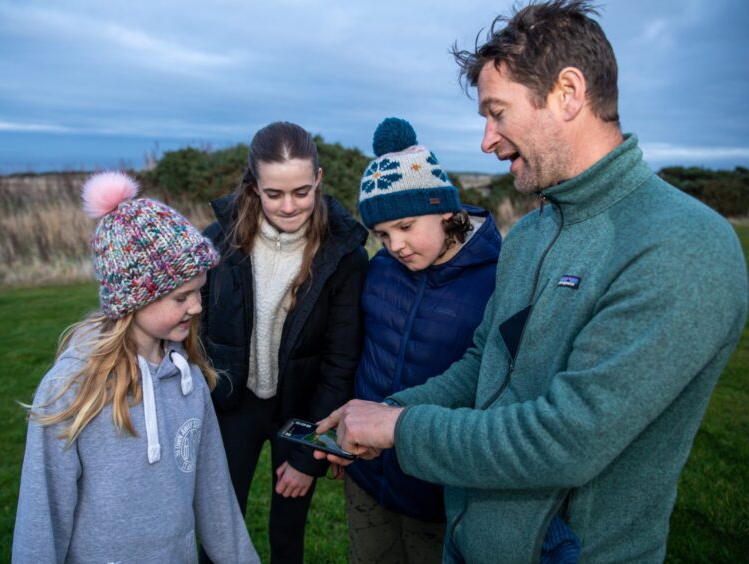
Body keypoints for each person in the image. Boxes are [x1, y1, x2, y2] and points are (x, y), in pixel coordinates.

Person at [316, 2, 749, 563]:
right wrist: (378, 413)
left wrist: (399, 428)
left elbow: (566, 440)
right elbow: (483, 366)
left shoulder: (682, 246)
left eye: (497, 113)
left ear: (568, 93)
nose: (486, 140)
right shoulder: (529, 234)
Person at [12, 172, 258, 563]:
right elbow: (42, 518)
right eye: (182, 297)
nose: (196, 307)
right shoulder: (72, 389)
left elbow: (216, 500)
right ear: (133, 300)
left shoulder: (188, 381)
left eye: (199, 291)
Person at [199, 121, 369, 563]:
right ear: (254, 186)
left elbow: (340, 361)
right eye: (274, 194)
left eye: (300, 191)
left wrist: (310, 455)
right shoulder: (219, 241)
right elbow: (190, 330)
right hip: (233, 405)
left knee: (287, 538)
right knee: (216, 530)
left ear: (318, 179)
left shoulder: (345, 253)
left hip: (301, 409)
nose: (289, 206)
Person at [344, 116, 501, 563]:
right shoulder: (379, 271)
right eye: (383, 234)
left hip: (440, 490)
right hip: (368, 475)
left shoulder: (498, 279)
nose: (395, 245)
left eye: (407, 225)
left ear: (446, 210)